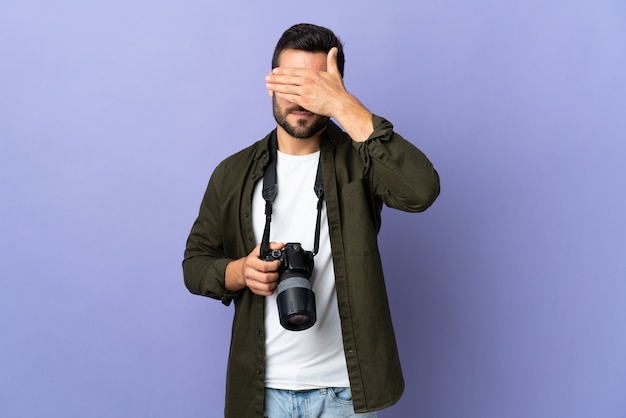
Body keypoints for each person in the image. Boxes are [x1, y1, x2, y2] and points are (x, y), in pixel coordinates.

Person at [183, 23, 440, 418]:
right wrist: (239, 271)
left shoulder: (361, 161)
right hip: (260, 393)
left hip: (346, 395)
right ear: (271, 85)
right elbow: (195, 264)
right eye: (292, 85)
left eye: (314, 87)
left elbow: (421, 191)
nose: (302, 100)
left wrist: (344, 107)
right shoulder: (232, 173)